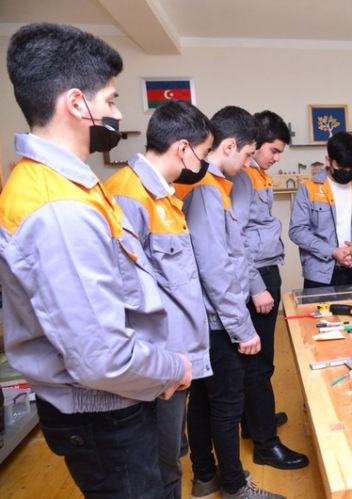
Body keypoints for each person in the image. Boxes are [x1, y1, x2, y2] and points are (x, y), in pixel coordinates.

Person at [1, 23, 191, 497]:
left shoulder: (69, 185)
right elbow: (102, 358)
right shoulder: (57, 209)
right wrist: (173, 368)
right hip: (106, 414)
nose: (118, 113)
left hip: (120, 400)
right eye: (110, 100)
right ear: (76, 103)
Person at [104, 100, 215, 498]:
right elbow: (124, 297)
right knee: (159, 465)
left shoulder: (163, 196)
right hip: (157, 366)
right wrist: (160, 368)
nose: (204, 163)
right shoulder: (127, 195)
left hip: (175, 359)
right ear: (183, 148)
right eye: (204, 152)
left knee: (170, 455)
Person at [174, 106, 283, 499]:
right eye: (249, 154)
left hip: (209, 316)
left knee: (205, 400)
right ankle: (235, 486)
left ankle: (206, 477)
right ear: (231, 146)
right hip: (217, 318)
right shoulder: (207, 189)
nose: (248, 163)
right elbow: (217, 268)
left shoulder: (213, 185)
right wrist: (242, 328)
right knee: (225, 404)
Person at [230, 110, 308, 469]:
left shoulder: (257, 174)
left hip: (264, 271)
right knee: (259, 364)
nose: (277, 158)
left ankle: (254, 421)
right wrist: (257, 287)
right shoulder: (244, 177)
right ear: (255, 144)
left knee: (257, 362)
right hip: (256, 277)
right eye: (273, 150)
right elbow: (236, 238)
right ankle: (266, 444)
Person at [289, 131, 352, 288]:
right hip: (320, 273)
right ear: (328, 160)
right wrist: (332, 251)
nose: (347, 172)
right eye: (341, 167)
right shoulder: (308, 188)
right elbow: (297, 231)